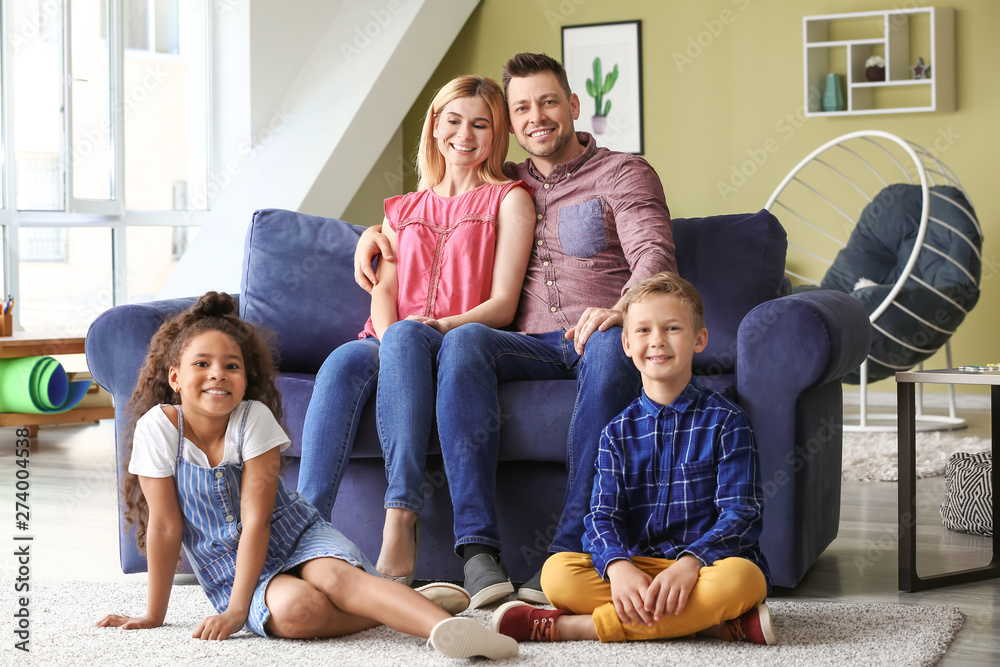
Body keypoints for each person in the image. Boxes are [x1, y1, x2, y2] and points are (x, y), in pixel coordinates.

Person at [353, 52, 675, 607]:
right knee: (464, 339)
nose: (537, 117)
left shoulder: (624, 172)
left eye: (548, 102)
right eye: (522, 108)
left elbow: (654, 253)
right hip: (527, 344)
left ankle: (569, 548)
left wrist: (624, 309)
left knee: (608, 350)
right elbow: (436, 206)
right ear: (512, 123)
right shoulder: (507, 185)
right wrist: (373, 232)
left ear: (573, 106)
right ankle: (478, 551)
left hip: (600, 332)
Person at [95, 292, 518, 660]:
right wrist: (155, 614)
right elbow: (166, 526)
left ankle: (446, 630)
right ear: (175, 378)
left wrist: (239, 611)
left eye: (231, 365)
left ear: (245, 378)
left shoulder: (252, 419)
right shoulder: (158, 428)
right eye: (201, 364)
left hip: (295, 535)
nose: (218, 373)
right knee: (300, 612)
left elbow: (257, 520)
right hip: (230, 566)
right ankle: (398, 605)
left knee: (335, 578)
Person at [296, 75, 535, 586]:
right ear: (435, 125)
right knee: (339, 364)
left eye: (481, 124)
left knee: (408, 336)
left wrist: (437, 327)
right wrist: (390, 341)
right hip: (389, 337)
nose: (464, 135)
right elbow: (385, 291)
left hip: (457, 336)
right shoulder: (401, 210)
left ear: (498, 136)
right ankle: (304, 532)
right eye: (453, 120)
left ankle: (400, 515)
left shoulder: (509, 199)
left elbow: (502, 304)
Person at [489, 272, 775, 646]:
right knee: (557, 574)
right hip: (638, 567)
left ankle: (573, 628)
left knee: (744, 580)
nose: (657, 341)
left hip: (706, 568)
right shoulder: (615, 433)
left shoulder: (727, 421)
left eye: (672, 328)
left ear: (699, 339)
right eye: (643, 331)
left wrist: (690, 565)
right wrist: (619, 567)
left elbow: (742, 515)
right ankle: (711, 624)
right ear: (625, 344)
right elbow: (602, 517)